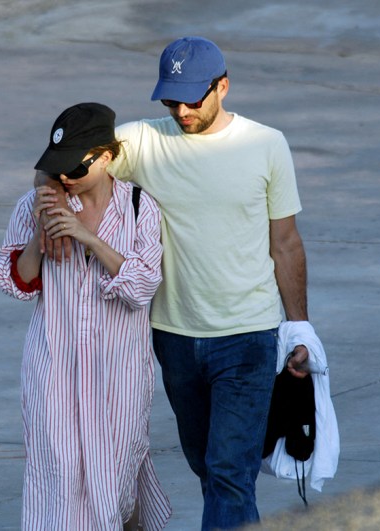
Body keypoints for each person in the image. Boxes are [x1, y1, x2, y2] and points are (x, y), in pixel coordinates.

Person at [37, 37, 311, 530]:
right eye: (171, 100)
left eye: (192, 98)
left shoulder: (266, 144)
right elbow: (61, 162)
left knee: (230, 471)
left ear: (222, 86)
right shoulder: (143, 140)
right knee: (207, 467)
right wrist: (48, 202)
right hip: (172, 337)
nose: (181, 110)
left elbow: (286, 243)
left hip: (247, 334)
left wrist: (301, 329)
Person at [0, 102, 171, 530]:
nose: (66, 178)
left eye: (75, 167)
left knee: (116, 483)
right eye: (59, 168)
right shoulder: (36, 205)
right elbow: (14, 282)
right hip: (54, 371)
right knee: (57, 482)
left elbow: (143, 287)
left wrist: (88, 239)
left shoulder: (138, 207)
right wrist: (40, 236)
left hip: (119, 375)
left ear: (106, 155)